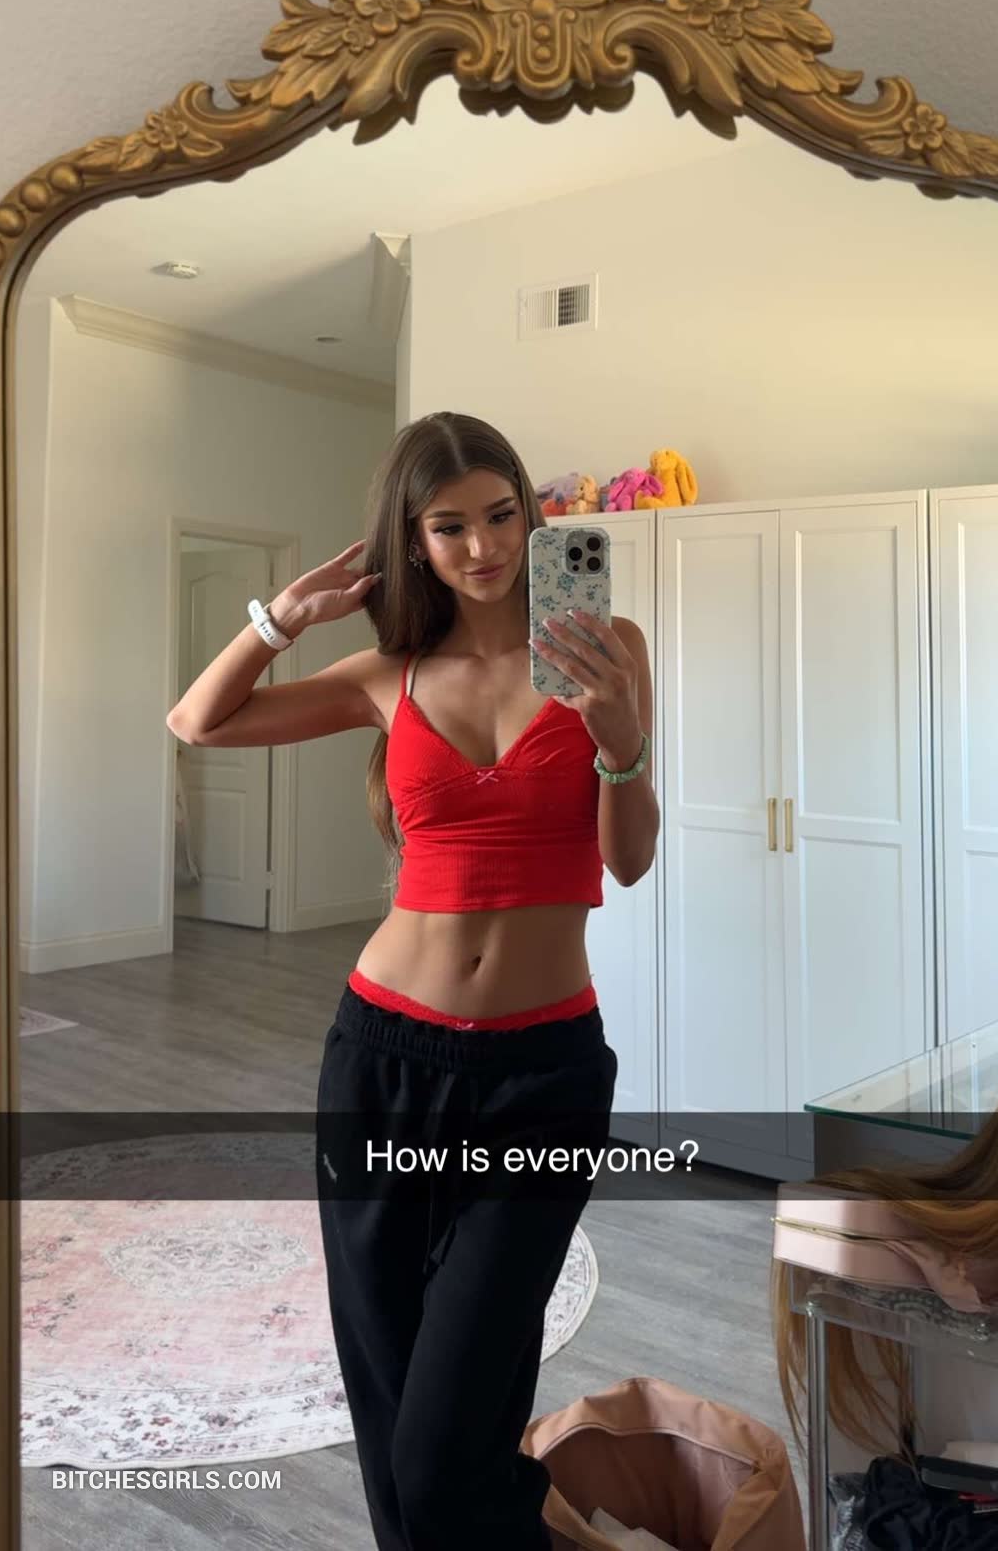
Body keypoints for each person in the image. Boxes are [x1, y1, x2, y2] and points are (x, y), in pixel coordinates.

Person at [166, 410, 659, 1549]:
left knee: (444, 1434)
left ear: (530, 515)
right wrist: (281, 619)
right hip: (383, 1061)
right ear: (412, 539)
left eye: (501, 515)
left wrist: (619, 739)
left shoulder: (607, 649)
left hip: (542, 1075)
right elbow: (197, 722)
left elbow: (628, 860)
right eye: (449, 526)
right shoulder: (385, 674)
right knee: (394, 1397)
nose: (483, 547)